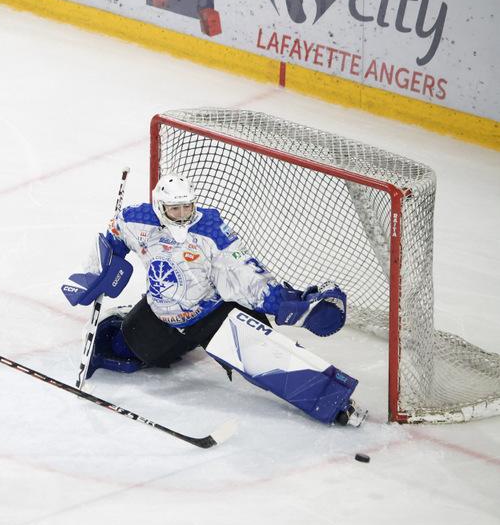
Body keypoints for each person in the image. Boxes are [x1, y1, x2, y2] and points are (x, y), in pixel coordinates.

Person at [62, 174, 366, 427]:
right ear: (159, 207)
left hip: (213, 315)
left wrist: (287, 306)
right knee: (127, 349)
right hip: (161, 317)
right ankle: (129, 325)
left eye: (188, 208)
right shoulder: (136, 220)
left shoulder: (210, 231)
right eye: (175, 210)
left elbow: (244, 274)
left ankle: (336, 401)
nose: (183, 215)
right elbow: (114, 237)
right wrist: (98, 271)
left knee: (264, 358)